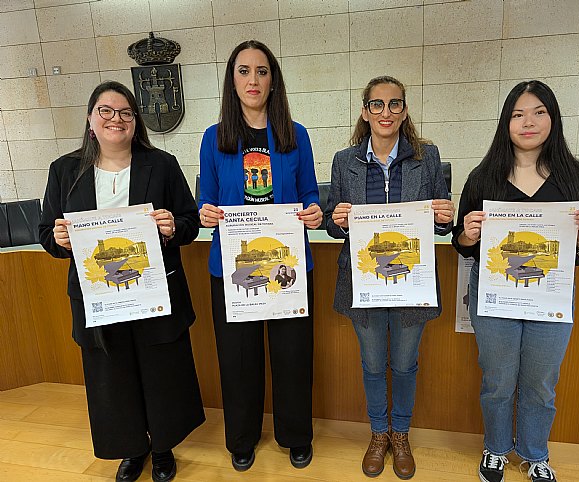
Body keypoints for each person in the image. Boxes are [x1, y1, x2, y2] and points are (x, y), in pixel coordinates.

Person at [39, 81, 205, 482]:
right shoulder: (64, 170)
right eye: (106, 111)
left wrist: (172, 226)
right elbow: (47, 232)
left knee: (160, 371)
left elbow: (190, 221)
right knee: (113, 378)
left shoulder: (161, 164)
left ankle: (163, 447)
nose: (116, 119)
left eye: (126, 113)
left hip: (154, 290)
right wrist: (59, 240)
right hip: (98, 296)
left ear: (136, 121)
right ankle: (132, 450)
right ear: (91, 119)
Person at [452, 80, 579, 482]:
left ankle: (536, 453)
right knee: (498, 379)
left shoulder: (577, 176)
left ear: (553, 119)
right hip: (494, 299)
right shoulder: (484, 177)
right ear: (506, 122)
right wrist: (467, 233)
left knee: (541, 382)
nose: (528, 122)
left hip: (551, 300)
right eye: (518, 114)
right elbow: (463, 243)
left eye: (539, 112)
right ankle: (496, 448)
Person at [198, 40, 322, 472]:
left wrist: (314, 210)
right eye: (244, 71)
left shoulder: (296, 134)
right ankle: (242, 438)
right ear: (232, 80)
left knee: (292, 356)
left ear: (274, 80)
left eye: (262, 71)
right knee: (239, 359)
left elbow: (309, 192)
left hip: (288, 263)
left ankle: (295, 435)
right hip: (234, 265)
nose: (254, 80)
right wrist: (205, 213)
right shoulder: (213, 138)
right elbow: (206, 200)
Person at [325, 75, 455, 480]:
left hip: (411, 280)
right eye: (377, 105)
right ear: (365, 111)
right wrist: (338, 219)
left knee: (403, 363)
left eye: (394, 104)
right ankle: (378, 433)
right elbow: (333, 226)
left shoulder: (427, 156)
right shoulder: (344, 160)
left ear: (404, 110)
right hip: (363, 280)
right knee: (372, 361)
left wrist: (444, 218)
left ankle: (401, 433)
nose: (386, 112)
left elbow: (442, 225)